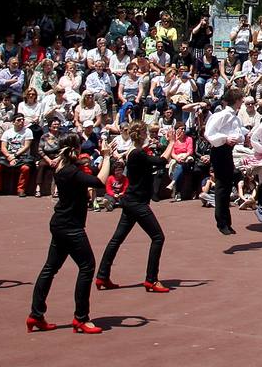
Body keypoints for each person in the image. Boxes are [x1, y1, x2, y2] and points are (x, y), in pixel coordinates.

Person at [27, 134, 107, 334]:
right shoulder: (71, 171)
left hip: (60, 224)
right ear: (75, 149)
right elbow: (99, 182)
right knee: (87, 266)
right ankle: (81, 317)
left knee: (50, 268)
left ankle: (36, 314)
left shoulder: (62, 167)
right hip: (71, 227)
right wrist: (106, 157)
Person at [95, 121, 170, 293]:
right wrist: (172, 142)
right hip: (137, 203)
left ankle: (102, 275)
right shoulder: (137, 153)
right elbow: (161, 161)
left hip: (131, 201)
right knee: (158, 237)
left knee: (117, 239)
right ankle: (151, 279)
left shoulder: (135, 151)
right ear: (142, 134)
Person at [204, 89, 244, 236]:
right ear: (236, 100)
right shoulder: (221, 115)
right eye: (240, 99)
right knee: (222, 186)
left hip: (227, 151)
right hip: (219, 151)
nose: (242, 101)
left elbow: (238, 132)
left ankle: (226, 221)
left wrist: (242, 137)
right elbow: (209, 133)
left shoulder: (234, 117)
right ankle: (221, 222)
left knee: (226, 186)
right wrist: (224, 139)